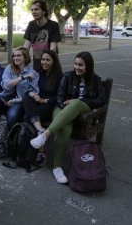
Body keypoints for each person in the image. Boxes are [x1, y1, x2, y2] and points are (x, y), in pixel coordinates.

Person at [30, 51, 105, 184]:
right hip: (62, 109)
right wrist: (66, 109)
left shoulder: (96, 79)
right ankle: (57, 167)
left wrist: (79, 102)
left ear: (88, 66)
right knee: (64, 128)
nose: (77, 67)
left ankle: (45, 135)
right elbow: (60, 96)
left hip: (83, 112)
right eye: (75, 64)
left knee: (75, 103)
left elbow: (101, 100)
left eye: (80, 65)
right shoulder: (68, 76)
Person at [0, 47, 39, 130]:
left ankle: (11, 136)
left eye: (18, 56)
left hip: (20, 100)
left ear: (25, 57)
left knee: (12, 116)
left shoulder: (33, 73)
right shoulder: (9, 68)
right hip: (7, 95)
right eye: (14, 56)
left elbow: (32, 94)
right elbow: (7, 85)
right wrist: (22, 78)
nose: (15, 58)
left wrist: (14, 101)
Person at [22, 49, 63, 134]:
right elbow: (29, 89)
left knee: (27, 117)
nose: (44, 62)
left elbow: (60, 97)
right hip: (37, 101)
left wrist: (44, 100)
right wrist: (32, 94)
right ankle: (40, 131)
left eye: (48, 60)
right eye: (43, 59)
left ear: (54, 62)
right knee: (26, 97)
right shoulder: (39, 73)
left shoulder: (60, 77)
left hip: (49, 105)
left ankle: (38, 141)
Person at [23, 0, 61, 71]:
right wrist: (21, 58)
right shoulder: (31, 24)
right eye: (32, 10)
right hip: (36, 65)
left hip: (50, 64)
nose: (33, 12)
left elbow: (53, 48)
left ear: (44, 11)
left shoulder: (53, 25)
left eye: (36, 9)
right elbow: (26, 45)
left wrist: (46, 62)